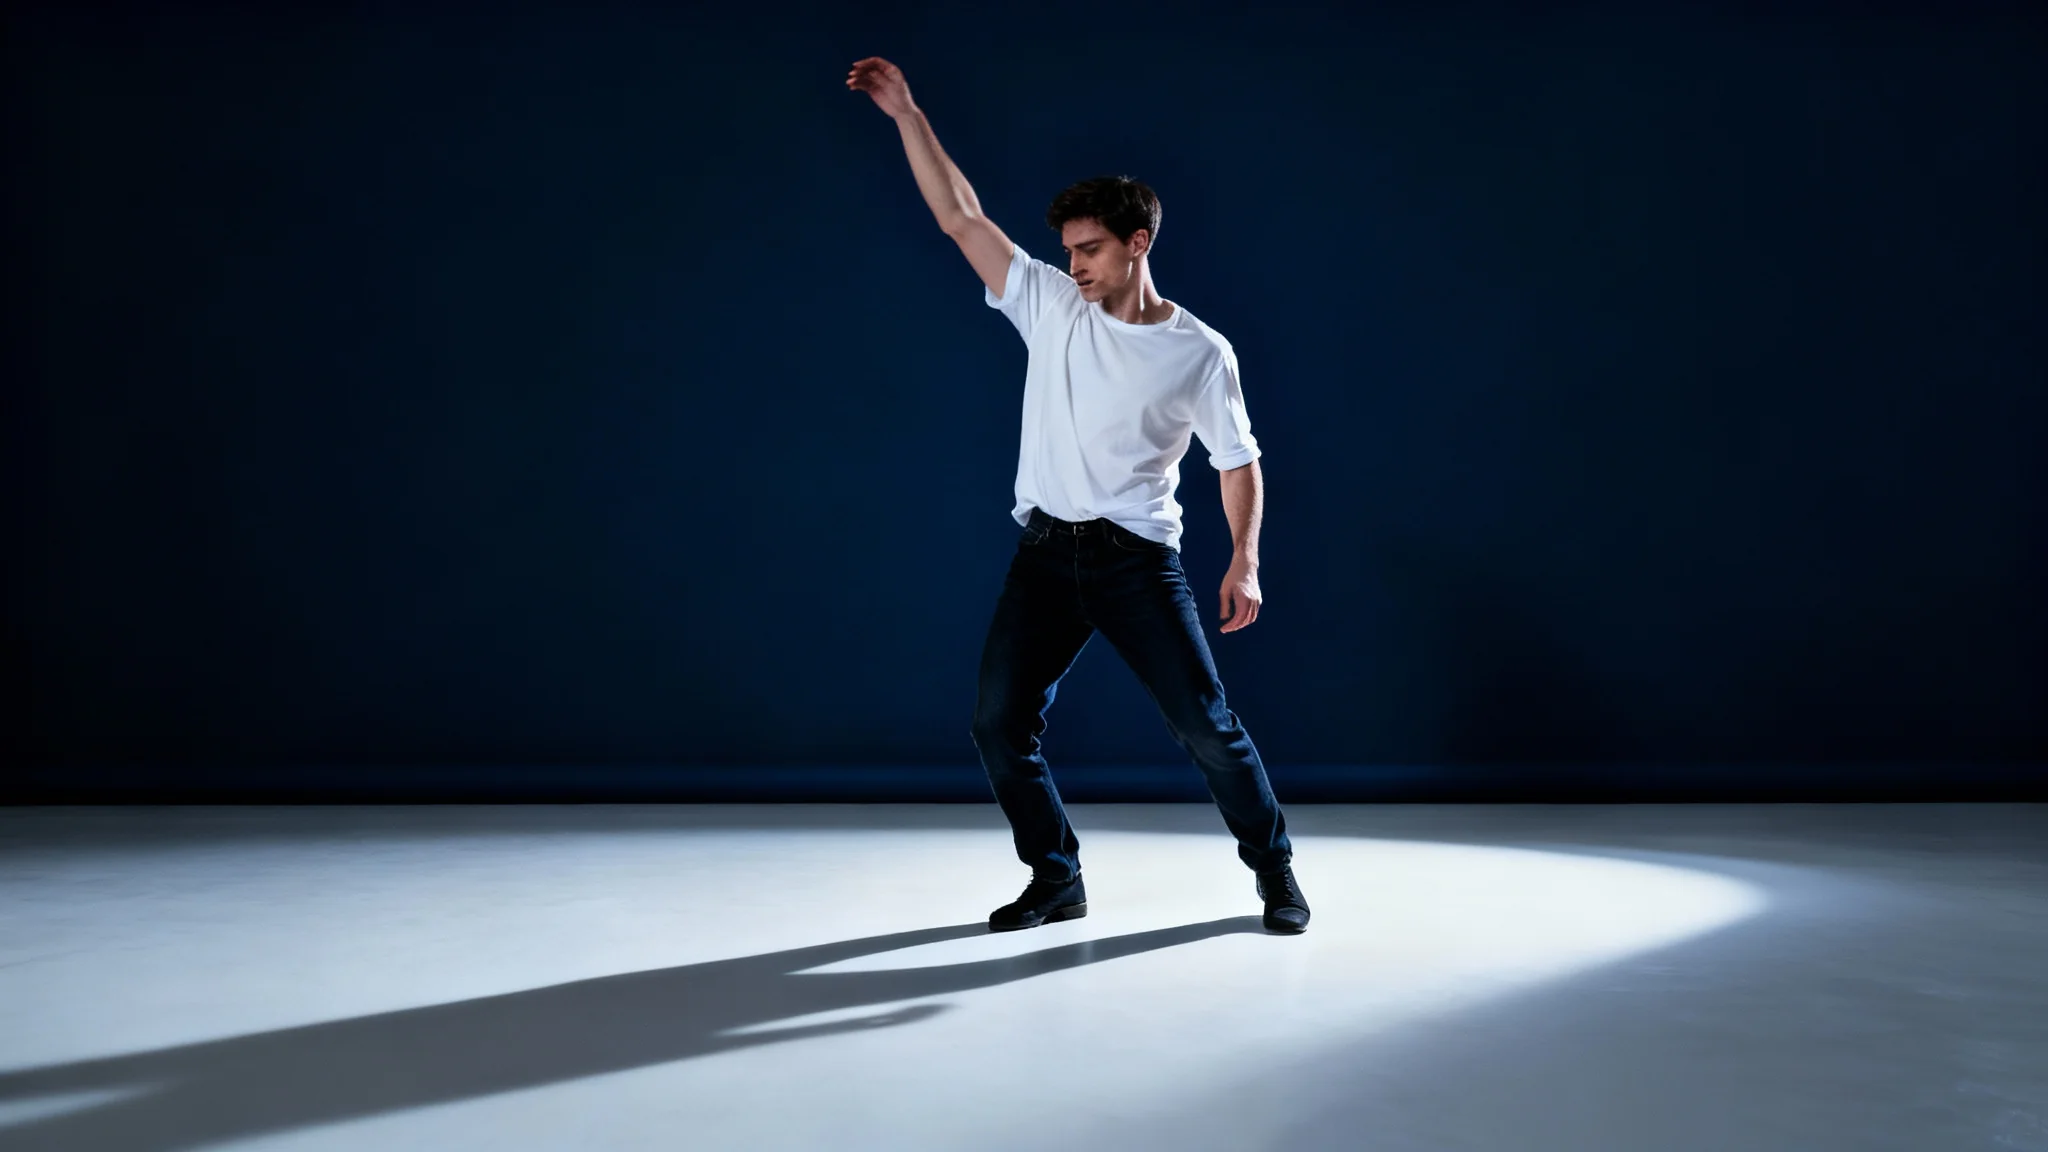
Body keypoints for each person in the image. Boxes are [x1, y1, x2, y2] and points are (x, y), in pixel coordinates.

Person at [847, 57, 1309, 935]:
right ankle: (1056, 878)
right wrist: (906, 112)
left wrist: (1245, 559)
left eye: (1089, 249)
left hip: (1136, 561)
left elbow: (1237, 459)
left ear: (1138, 243)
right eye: (1067, 250)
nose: (1074, 264)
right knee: (996, 725)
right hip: (1045, 558)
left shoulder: (1200, 353)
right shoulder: (1050, 305)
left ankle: (1275, 873)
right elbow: (960, 217)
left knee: (1207, 730)